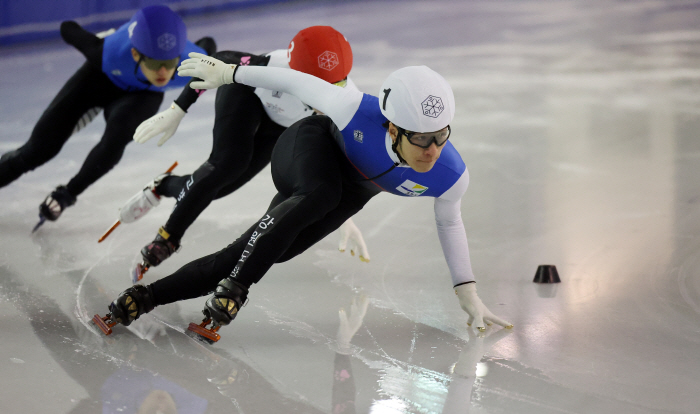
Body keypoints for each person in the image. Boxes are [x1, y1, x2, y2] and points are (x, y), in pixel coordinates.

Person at [97, 52, 512, 341]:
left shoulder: (450, 174)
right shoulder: (352, 108)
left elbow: (449, 221)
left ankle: (142, 298)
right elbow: (293, 79)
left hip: (345, 193)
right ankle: (235, 291)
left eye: (441, 137)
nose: (433, 150)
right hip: (305, 149)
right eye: (422, 139)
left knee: (264, 248)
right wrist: (230, 74)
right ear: (391, 128)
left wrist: (467, 293)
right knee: (319, 194)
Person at [115, 26, 369, 280]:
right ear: (296, 74)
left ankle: (163, 185)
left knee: (219, 188)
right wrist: (178, 109)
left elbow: (333, 162)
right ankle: (166, 239)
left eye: (337, 83)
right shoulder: (272, 66)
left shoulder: (346, 100)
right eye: (316, 84)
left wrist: (339, 215)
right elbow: (219, 60)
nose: (327, 93)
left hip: (282, 125)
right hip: (246, 95)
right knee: (227, 164)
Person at [0, 5, 216, 229]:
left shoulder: (188, 64)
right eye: (153, 63)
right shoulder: (107, 52)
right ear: (135, 53)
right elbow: (68, 28)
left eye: (169, 62)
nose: (162, 73)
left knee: (119, 134)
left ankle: (66, 194)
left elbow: (208, 44)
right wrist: (99, 39)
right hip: (98, 79)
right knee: (37, 151)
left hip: (142, 95)